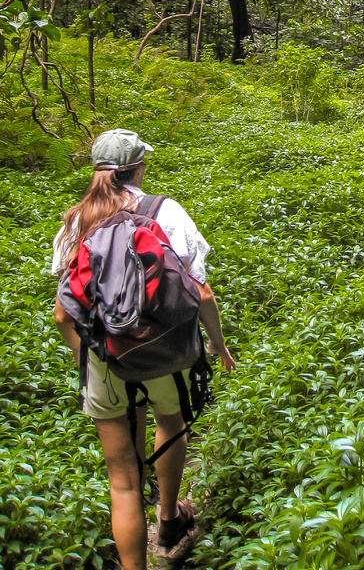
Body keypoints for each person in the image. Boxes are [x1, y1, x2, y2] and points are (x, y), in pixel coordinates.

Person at [52, 129, 236, 569]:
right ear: (138, 168)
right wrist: (216, 344)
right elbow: (202, 292)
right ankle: (170, 520)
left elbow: (64, 314)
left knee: (122, 481)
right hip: (163, 352)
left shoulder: (76, 220)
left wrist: (88, 361)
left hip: (104, 358)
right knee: (170, 421)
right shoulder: (162, 210)